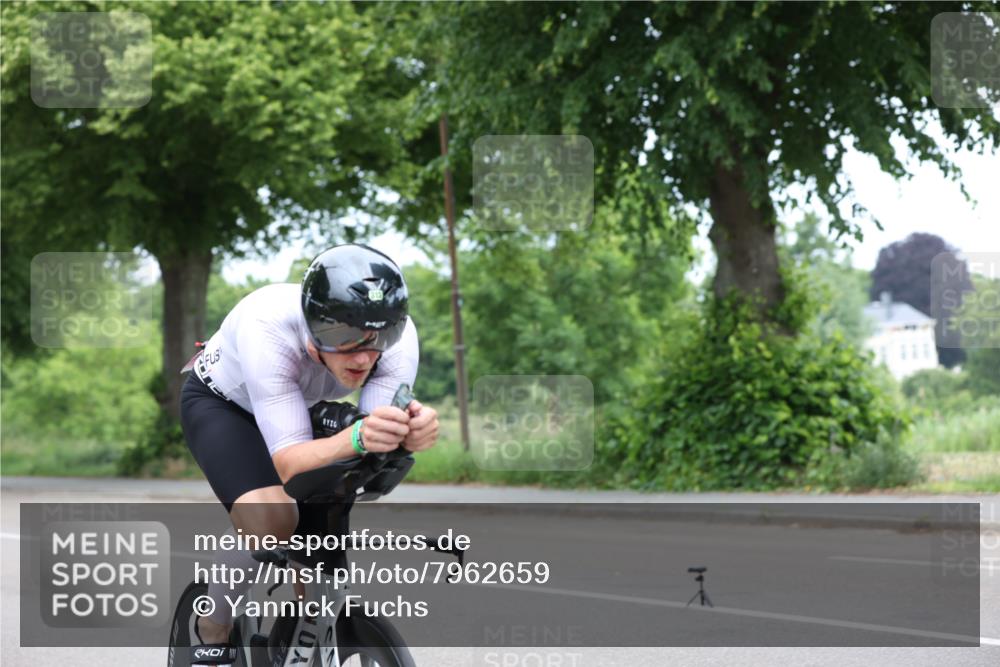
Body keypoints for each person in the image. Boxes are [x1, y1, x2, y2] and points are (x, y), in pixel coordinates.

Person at [179, 243, 439, 663]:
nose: (362, 355)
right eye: (343, 337)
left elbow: (373, 438)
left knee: (323, 529)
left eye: (377, 338)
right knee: (273, 519)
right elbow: (289, 461)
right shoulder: (269, 329)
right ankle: (212, 625)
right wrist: (357, 438)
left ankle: (309, 638)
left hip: (305, 406)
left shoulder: (399, 339)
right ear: (311, 324)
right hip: (226, 406)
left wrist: (411, 431)